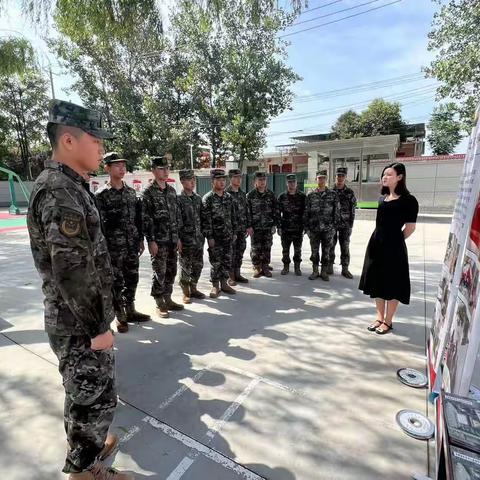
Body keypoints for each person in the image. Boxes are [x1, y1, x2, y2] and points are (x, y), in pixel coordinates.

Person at [27, 99, 133, 479]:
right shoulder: (59, 191)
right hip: (77, 322)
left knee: (85, 393)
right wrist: (97, 328)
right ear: (68, 140)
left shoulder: (69, 186)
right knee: (93, 395)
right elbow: (71, 271)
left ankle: (87, 445)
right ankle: (84, 471)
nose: (102, 148)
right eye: (96, 139)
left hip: (78, 318)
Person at [359, 162, 419, 334]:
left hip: (394, 248)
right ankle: (379, 317)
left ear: (400, 177)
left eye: (389, 174)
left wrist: (395, 241)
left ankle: (388, 321)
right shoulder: (382, 199)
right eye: (384, 174)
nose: (385, 177)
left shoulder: (409, 201)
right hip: (376, 245)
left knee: (392, 283)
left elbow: (410, 228)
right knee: (377, 282)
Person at [96, 152, 150, 333]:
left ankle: (131, 310)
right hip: (113, 248)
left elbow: (137, 219)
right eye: (117, 165)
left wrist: (140, 239)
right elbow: (99, 227)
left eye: (123, 165)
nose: (121, 168)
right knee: (116, 283)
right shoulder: (101, 195)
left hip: (131, 245)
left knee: (132, 279)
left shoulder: (130, 193)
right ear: (107, 168)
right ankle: (120, 316)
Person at [143, 156, 184, 318]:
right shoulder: (148, 192)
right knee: (159, 271)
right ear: (153, 170)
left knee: (172, 270)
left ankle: (168, 297)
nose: (165, 171)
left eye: (167, 168)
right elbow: (146, 219)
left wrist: (178, 238)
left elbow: (176, 217)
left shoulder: (172, 191)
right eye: (161, 168)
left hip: (172, 240)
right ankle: (159, 301)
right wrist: (151, 241)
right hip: (158, 241)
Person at [202, 168, 236, 298]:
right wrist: (209, 236)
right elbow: (206, 220)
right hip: (215, 237)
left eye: (223, 180)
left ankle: (224, 283)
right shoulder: (208, 199)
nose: (222, 182)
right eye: (218, 180)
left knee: (227, 260)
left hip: (228, 235)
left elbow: (233, 216)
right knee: (215, 261)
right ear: (212, 181)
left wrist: (234, 231)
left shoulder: (228, 198)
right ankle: (215, 285)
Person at [303, 169, 340, 281]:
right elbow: (306, 213)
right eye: (319, 178)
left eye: (323, 178)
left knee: (326, 252)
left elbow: (336, 212)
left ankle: (324, 272)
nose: (321, 180)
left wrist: (334, 228)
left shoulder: (333, 194)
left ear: (326, 179)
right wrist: (307, 229)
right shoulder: (310, 195)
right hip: (314, 229)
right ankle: (315, 271)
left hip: (328, 229)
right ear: (316, 179)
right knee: (314, 252)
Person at [177, 169, 206, 303]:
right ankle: (186, 292)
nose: (193, 182)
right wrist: (178, 239)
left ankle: (193, 287)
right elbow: (176, 222)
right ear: (182, 181)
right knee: (185, 267)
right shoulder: (178, 200)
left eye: (194, 179)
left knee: (198, 265)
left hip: (198, 239)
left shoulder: (198, 198)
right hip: (185, 240)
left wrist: (203, 236)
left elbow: (202, 218)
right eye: (189, 180)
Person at [246, 171, 280, 278]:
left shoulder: (271, 195)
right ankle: (257, 267)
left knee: (267, 246)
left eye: (264, 180)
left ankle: (265, 266)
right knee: (255, 247)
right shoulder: (250, 196)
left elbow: (276, 211)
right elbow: (247, 212)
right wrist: (249, 226)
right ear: (255, 182)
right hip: (255, 227)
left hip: (267, 226)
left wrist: (275, 225)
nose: (262, 182)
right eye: (260, 180)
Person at [328, 166, 356, 279]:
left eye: (342, 176)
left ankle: (345, 269)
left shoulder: (349, 192)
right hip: (332, 224)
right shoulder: (330, 191)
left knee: (345, 246)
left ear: (345, 178)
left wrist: (351, 225)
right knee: (330, 245)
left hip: (345, 225)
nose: (340, 178)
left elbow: (352, 209)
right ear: (335, 177)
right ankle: (329, 266)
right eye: (338, 176)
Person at [226, 168, 251, 285]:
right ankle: (230, 276)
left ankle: (237, 273)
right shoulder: (226, 194)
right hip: (231, 230)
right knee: (231, 252)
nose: (238, 179)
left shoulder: (242, 194)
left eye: (240, 177)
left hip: (242, 229)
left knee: (240, 251)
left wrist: (248, 226)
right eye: (236, 177)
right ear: (230, 179)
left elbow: (247, 211)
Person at [278, 174, 306, 276]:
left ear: (296, 183)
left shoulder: (302, 196)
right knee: (285, 250)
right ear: (286, 183)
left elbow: (306, 212)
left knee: (298, 249)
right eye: (290, 182)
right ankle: (286, 267)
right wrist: (279, 227)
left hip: (298, 229)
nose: (292, 184)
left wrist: (305, 226)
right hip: (286, 228)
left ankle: (297, 267)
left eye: (293, 182)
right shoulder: (282, 197)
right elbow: (278, 213)